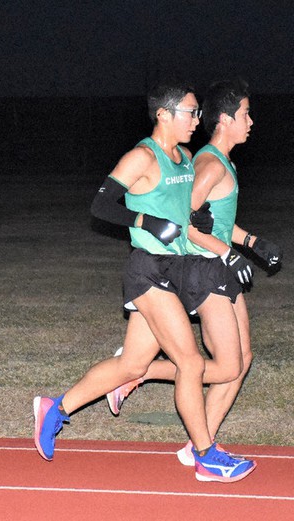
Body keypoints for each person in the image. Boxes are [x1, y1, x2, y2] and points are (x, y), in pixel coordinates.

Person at [32, 82, 256, 483]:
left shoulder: (187, 158)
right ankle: (205, 454)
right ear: (164, 114)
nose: (196, 120)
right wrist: (144, 220)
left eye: (197, 113)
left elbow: (189, 213)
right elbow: (101, 205)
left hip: (179, 268)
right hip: (148, 270)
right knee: (188, 361)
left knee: (132, 364)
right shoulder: (141, 157)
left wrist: (202, 225)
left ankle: (57, 407)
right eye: (189, 112)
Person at [106, 79, 282, 465]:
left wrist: (251, 243)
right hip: (203, 268)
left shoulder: (223, 161)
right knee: (220, 364)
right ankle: (147, 381)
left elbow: (215, 220)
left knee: (241, 359)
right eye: (246, 114)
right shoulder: (208, 163)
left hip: (215, 263)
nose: (251, 121)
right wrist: (228, 254)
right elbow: (189, 222)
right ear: (225, 119)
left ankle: (198, 442)